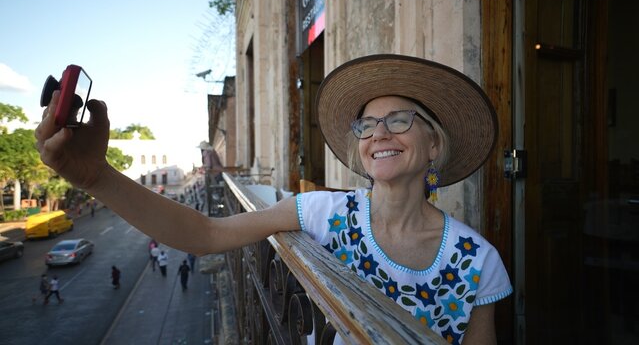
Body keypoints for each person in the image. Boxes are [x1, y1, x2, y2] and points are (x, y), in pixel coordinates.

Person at [36, 54, 511, 344]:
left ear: (434, 146)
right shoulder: (324, 213)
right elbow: (205, 234)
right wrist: (97, 177)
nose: (379, 132)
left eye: (400, 120)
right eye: (366, 125)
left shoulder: (477, 261)